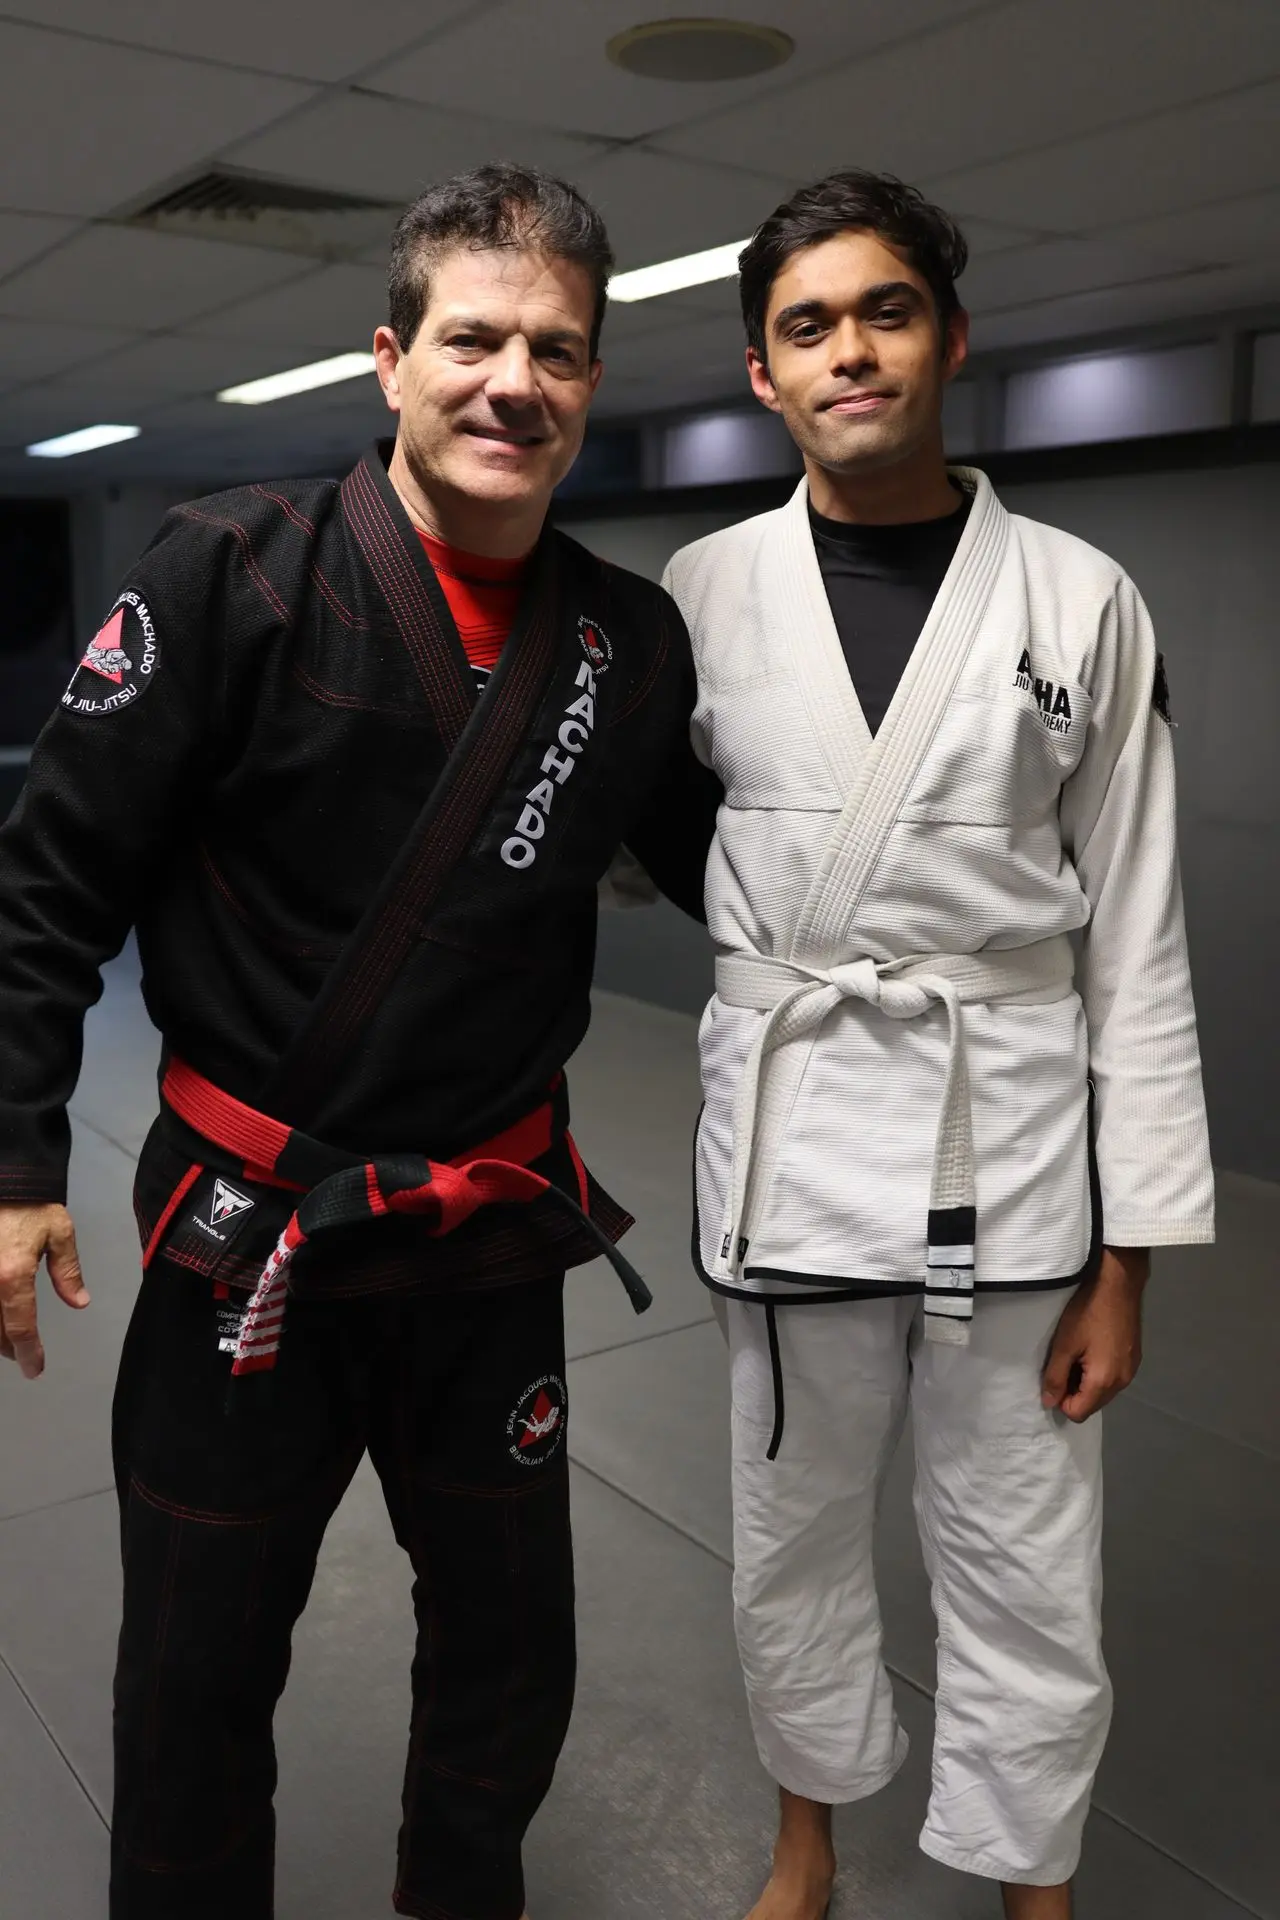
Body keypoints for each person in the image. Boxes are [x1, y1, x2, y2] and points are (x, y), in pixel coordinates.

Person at [0, 163, 718, 1920]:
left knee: (510, 1660)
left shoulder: (626, 641)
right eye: (473, 339)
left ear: (591, 382)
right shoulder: (233, 575)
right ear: (391, 358)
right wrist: (16, 1161)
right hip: (246, 1232)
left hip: (486, 1241)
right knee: (194, 1670)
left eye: (556, 350)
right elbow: (46, 885)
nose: (512, 383)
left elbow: (751, 885)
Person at [664, 170, 1214, 1920]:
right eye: (806, 325)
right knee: (793, 1535)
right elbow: (687, 852)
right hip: (796, 1150)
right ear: (762, 373)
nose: (850, 351)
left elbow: (1133, 930)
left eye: (884, 311)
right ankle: (807, 1838)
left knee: (1026, 1554)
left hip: (1021, 1157)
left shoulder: (1081, 596)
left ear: (951, 339)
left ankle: (1027, 1872)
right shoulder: (700, 589)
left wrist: (1132, 1261)